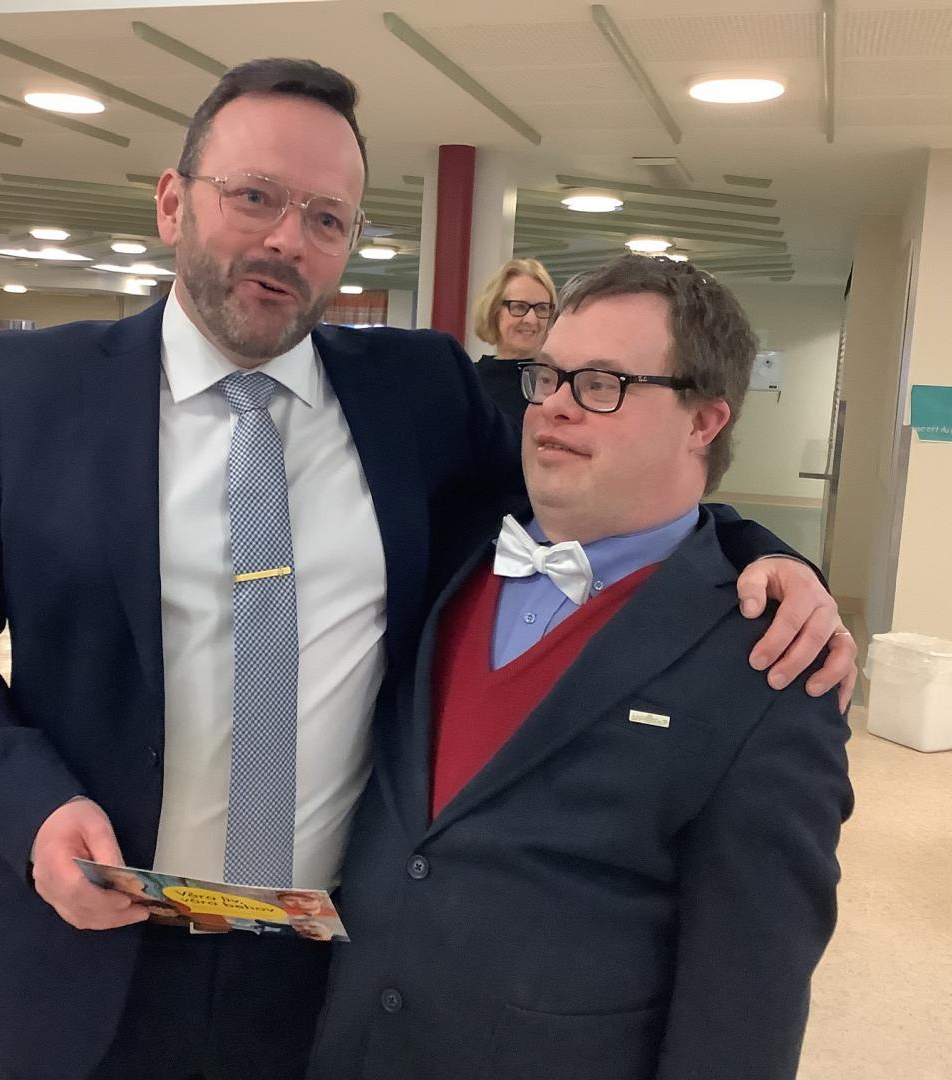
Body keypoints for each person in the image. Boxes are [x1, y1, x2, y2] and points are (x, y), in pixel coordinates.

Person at [0, 59, 855, 1080]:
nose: (287, 239)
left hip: (331, 979)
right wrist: (30, 806)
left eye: (327, 218)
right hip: (94, 954)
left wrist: (758, 554)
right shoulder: (36, 391)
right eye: (254, 196)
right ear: (172, 203)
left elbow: (593, 488)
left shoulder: (415, 393)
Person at [308, 256, 855, 1080]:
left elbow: (748, 1000)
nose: (554, 406)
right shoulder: (449, 555)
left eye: (603, 383)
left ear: (705, 421)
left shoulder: (770, 665)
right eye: (549, 377)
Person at [470, 258, 556, 429]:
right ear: (493, 311)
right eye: (519, 307)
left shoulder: (562, 381)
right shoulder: (469, 383)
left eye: (541, 308)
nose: (531, 320)